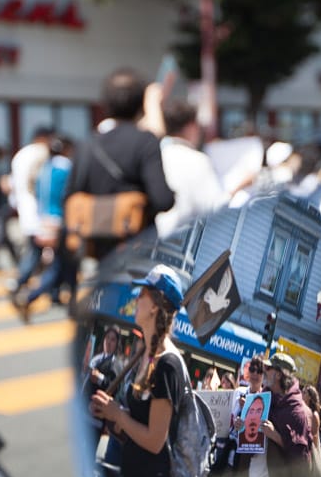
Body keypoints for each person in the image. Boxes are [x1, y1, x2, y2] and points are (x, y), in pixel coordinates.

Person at [89, 264, 187, 477]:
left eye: (141, 295)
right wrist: (109, 413)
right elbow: (135, 423)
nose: (136, 299)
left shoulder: (168, 364)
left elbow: (155, 440)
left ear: (155, 305)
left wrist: (117, 415)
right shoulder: (146, 355)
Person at [64, 68, 175, 263]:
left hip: (98, 252)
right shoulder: (145, 142)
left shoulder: (86, 145)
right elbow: (163, 200)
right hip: (139, 248)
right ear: (141, 104)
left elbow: (71, 195)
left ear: (105, 104)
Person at [236, 351, 311, 477]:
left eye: (268, 368)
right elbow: (250, 436)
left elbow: (300, 455)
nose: (264, 371)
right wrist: (242, 425)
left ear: (278, 374)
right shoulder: (262, 398)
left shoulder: (296, 410)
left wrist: (275, 435)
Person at [198, 354, 265, 477]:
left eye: (260, 370)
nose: (255, 373)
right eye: (252, 369)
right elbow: (225, 421)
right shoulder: (238, 393)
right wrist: (236, 423)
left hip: (248, 464)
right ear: (247, 372)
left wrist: (250, 412)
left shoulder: (265, 399)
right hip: (230, 457)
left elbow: (262, 431)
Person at [14, 137, 75, 321]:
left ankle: (69, 302)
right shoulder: (66, 167)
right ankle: (31, 295)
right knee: (62, 264)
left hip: (43, 220)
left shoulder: (43, 169)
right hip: (60, 220)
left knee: (64, 264)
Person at [154, 100, 228, 237]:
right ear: (190, 126)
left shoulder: (155, 156)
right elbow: (214, 208)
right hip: (184, 241)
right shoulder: (198, 160)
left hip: (152, 238)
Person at [9, 127, 54, 295]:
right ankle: (23, 282)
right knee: (40, 252)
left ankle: (24, 282)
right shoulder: (40, 153)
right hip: (40, 210)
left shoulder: (20, 155)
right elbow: (39, 182)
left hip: (24, 209)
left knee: (35, 250)